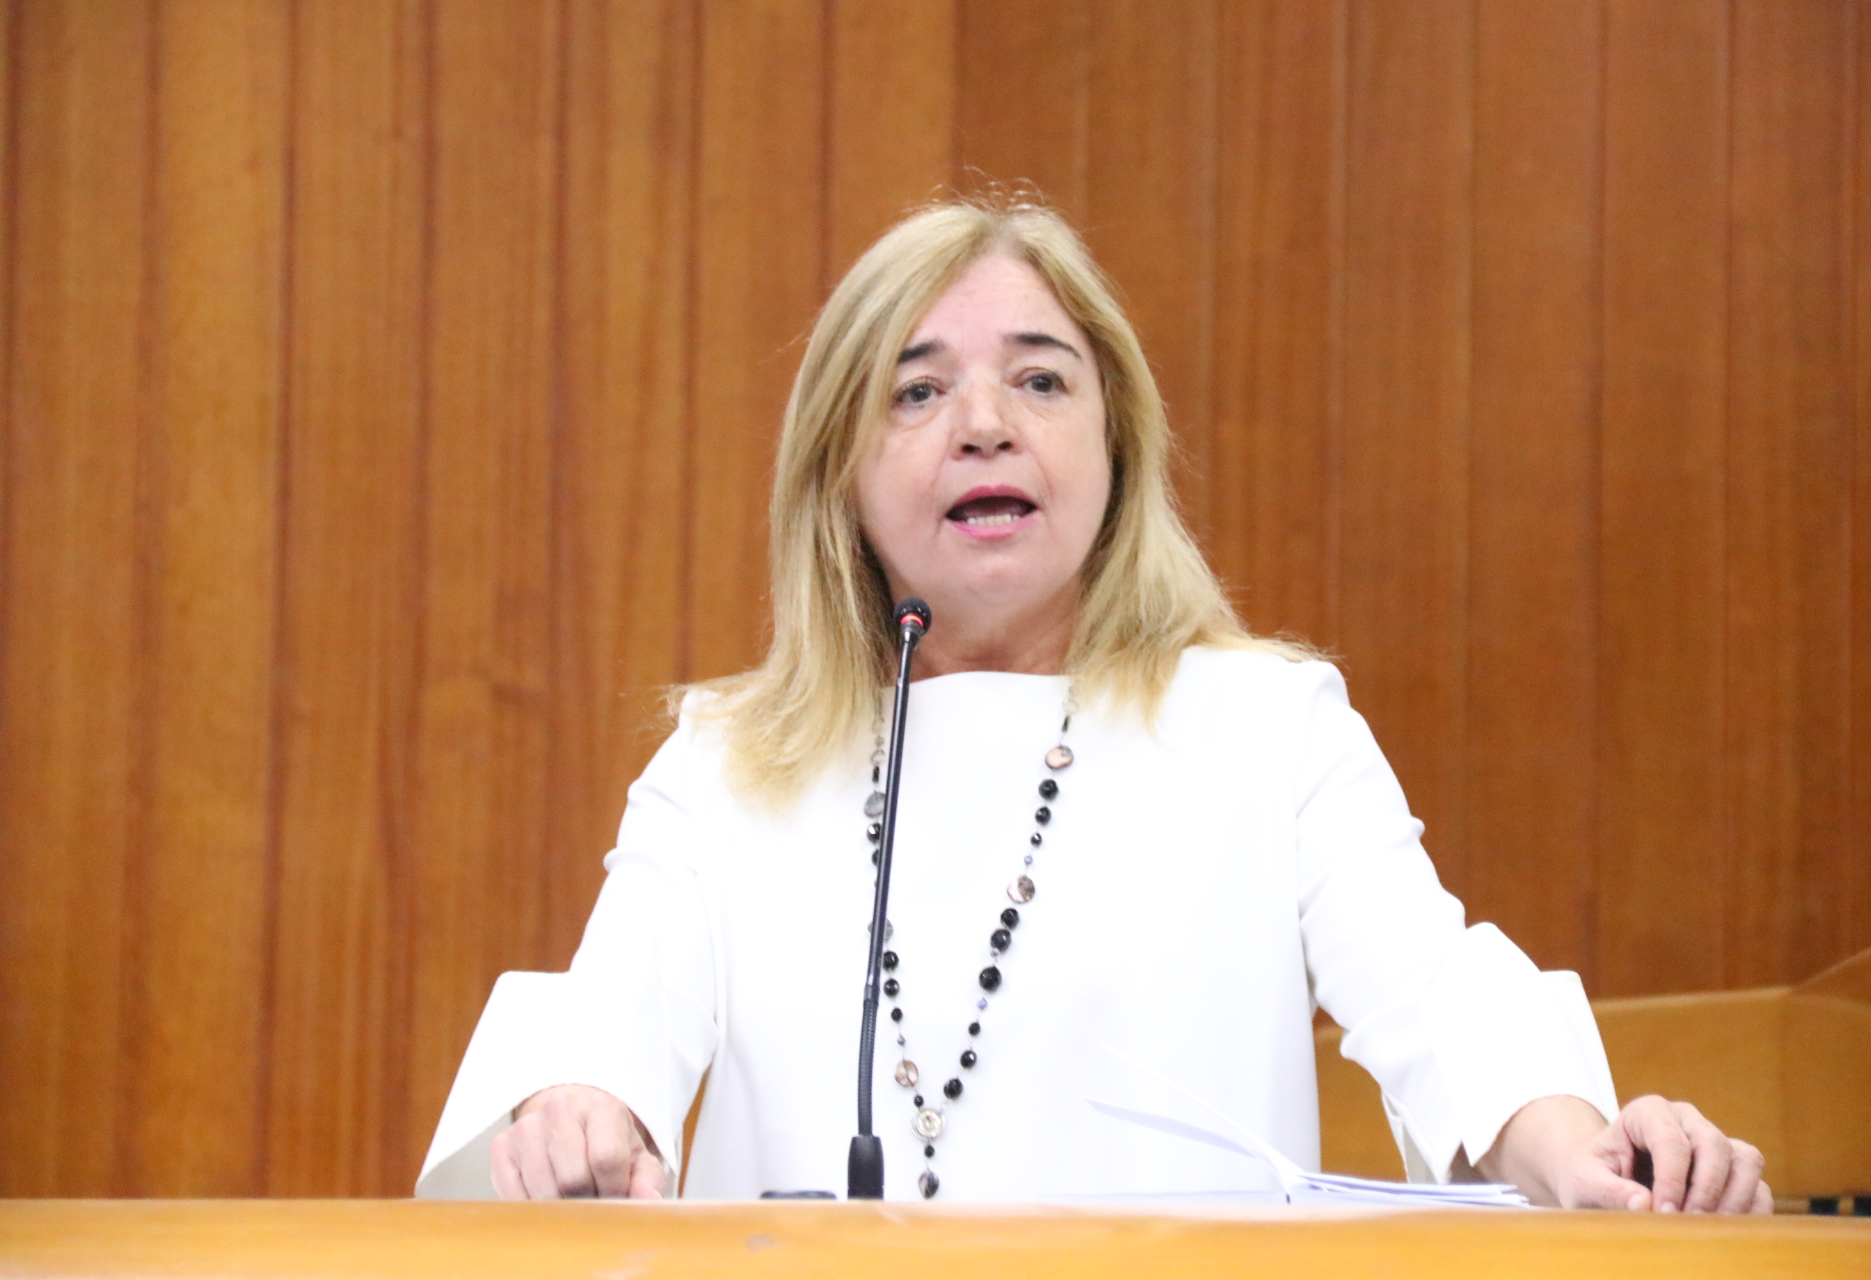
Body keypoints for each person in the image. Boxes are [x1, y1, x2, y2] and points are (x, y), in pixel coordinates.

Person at [417, 198, 1770, 1212]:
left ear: (1115, 449)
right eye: (917, 389)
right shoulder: (727, 764)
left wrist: (1582, 1144)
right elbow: (611, 1031)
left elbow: (1437, 997)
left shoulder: (1264, 727)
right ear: (839, 477)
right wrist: (579, 1113)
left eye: (1041, 379)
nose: (985, 422)